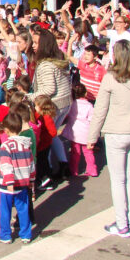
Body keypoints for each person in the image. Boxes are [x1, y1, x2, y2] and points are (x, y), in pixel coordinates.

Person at [87, 40, 130, 238]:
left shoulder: (110, 78)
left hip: (117, 132)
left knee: (118, 180)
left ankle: (122, 224)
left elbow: (100, 110)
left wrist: (92, 136)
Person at [28, 30, 72, 189]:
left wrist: (29, 96)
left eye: (35, 42)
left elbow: (48, 89)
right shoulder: (58, 57)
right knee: (54, 136)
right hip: (64, 102)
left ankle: (45, 175)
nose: (33, 45)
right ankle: (64, 165)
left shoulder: (46, 64)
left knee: (45, 140)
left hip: (54, 105)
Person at [0, 111, 35, 245]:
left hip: (7, 186)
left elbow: (6, 165)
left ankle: (5, 235)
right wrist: (32, 180)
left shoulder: (6, 146)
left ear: (6, 129)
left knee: (4, 210)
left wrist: (9, 181)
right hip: (23, 182)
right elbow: (31, 164)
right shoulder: (26, 145)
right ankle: (26, 234)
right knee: (23, 209)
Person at [62, 84, 97, 177]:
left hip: (75, 132)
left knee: (75, 152)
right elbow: (92, 119)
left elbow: (68, 115)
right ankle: (92, 170)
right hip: (86, 132)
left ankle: (74, 170)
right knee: (88, 152)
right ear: (85, 93)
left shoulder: (72, 104)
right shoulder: (89, 106)